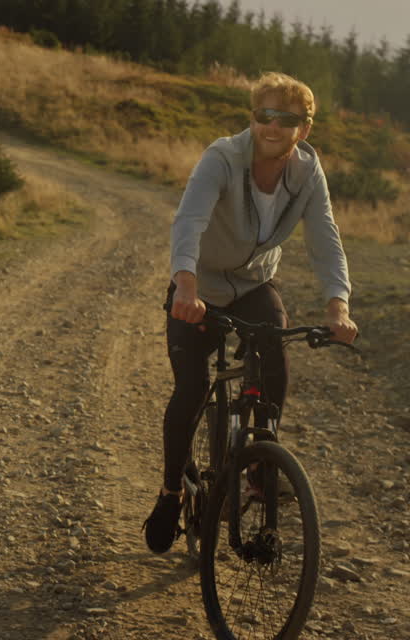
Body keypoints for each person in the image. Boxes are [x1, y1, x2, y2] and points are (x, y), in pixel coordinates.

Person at [144, 71, 359, 553]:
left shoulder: (307, 171)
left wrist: (337, 305)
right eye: (264, 115)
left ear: (304, 129)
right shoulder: (222, 157)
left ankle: (262, 465)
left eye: (286, 119)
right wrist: (185, 284)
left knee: (276, 341)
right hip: (199, 283)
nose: (272, 126)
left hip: (255, 282)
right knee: (192, 388)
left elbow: (325, 238)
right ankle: (171, 491)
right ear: (253, 118)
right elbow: (190, 220)